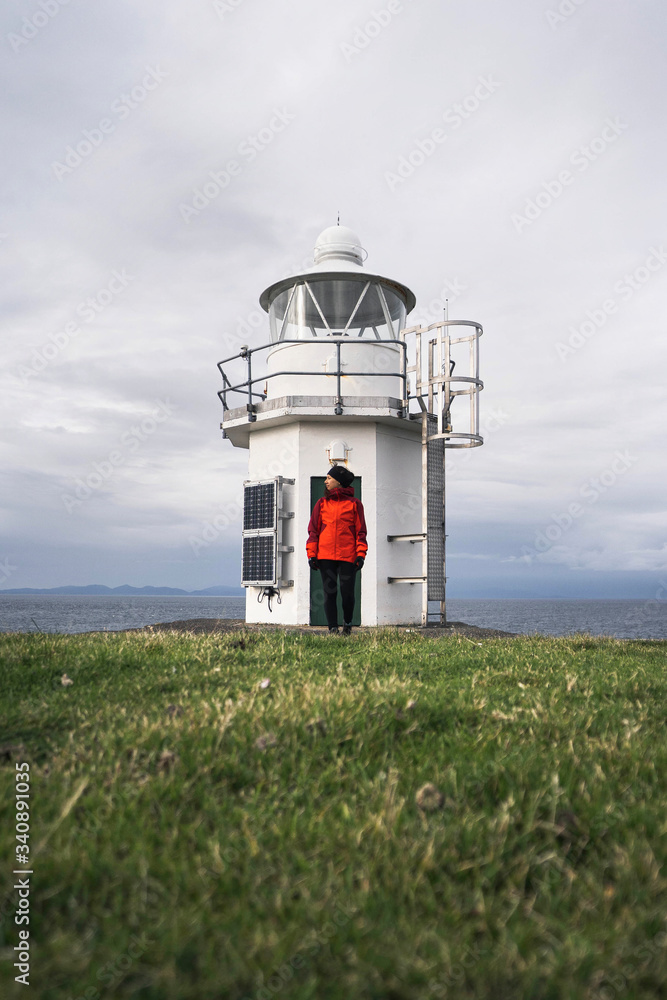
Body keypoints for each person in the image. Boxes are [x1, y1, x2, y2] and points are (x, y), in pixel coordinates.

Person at [306, 466, 367, 635]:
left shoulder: (355, 504)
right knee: (329, 593)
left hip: (348, 556)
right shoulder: (321, 503)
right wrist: (312, 554)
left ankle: (347, 625)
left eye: (329, 478)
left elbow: (360, 532)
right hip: (325, 556)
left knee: (347, 594)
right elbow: (313, 531)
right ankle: (332, 629)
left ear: (338, 482)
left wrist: (361, 554)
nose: (326, 481)